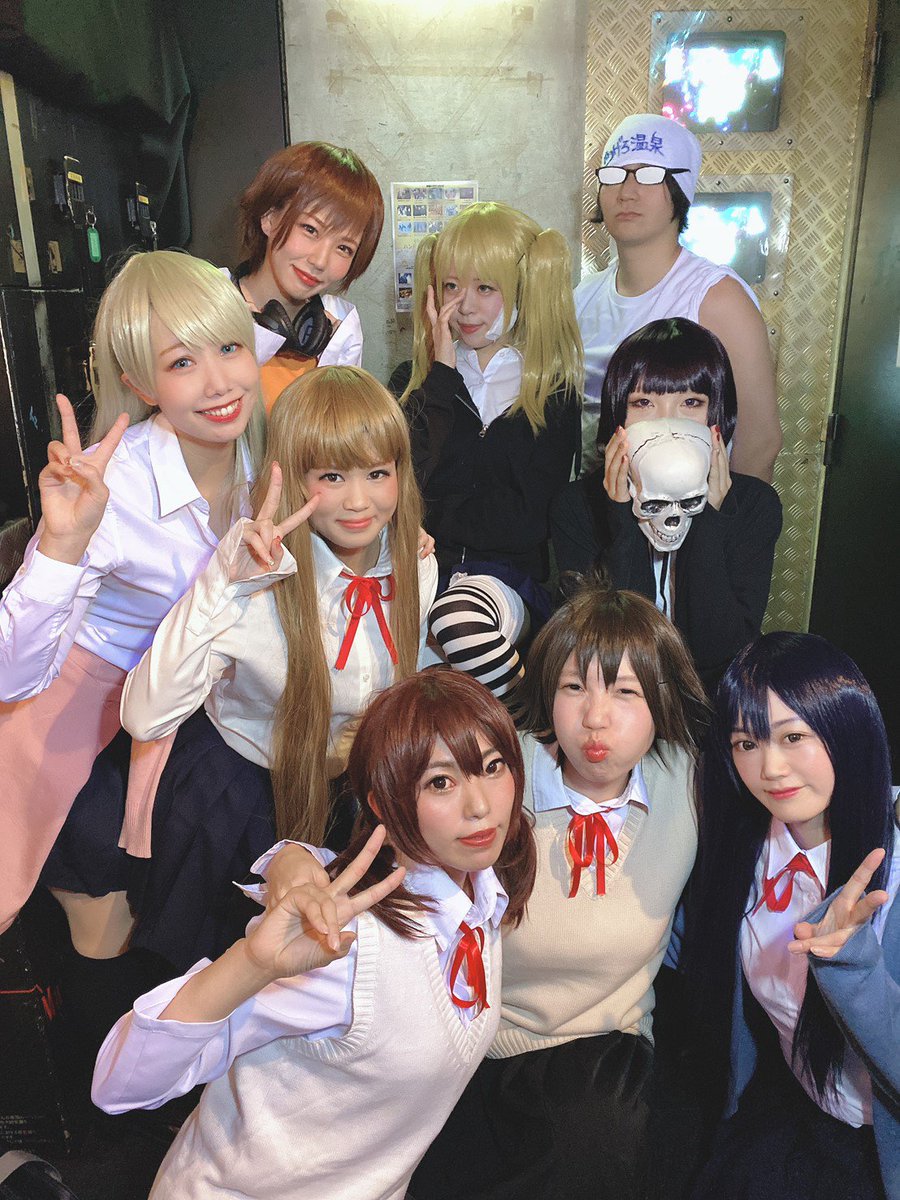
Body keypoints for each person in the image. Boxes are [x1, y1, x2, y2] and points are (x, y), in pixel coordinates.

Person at [265, 576, 708, 1199]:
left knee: (591, 1148)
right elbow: (382, 838)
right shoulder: (498, 774)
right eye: (573, 687)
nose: (595, 718)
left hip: (597, 1048)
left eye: (626, 692)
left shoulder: (687, 782)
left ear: (661, 702)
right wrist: (289, 861)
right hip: (458, 1034)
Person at [92, 669, 537, 1200]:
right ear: (383, 803)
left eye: (492, 767)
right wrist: (251, 964)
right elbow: (122, 1084)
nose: (480, 806)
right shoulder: (345, 948)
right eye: (440, 782)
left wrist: (290, 854)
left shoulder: (481, 895)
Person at [120, 366, 439, 973]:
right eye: (332, 476)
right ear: (292, 478)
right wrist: (226, 583)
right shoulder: (255, 579)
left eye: (377, 473)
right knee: (220, 983)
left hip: (352, 798)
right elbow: (144, 716)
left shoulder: (416, 564)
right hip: (240, 795)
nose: (358, 501)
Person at [0, 250, 265, 956]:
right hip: (87, 709)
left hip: (199, 701)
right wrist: (60, 545)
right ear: (140, 382)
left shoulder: (266, 456)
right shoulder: (112, 485)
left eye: (230, 347)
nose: (219, 382)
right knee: (102, 905)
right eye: (181, 363)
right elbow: (11, 676)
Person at [679, 632, 899, 1200]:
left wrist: (854, 969)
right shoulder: (743, 850)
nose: (770, 767)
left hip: (878, 1148)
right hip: (785, 1105)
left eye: (793, 736)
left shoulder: (892, 877)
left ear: (846, 729)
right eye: (746, 743)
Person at [392, 201, 582, 700]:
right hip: (423, 574)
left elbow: (523, 522)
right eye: (451, 286)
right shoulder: (416, 386)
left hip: (507, 582)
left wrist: (442, 516)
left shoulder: (551, 392)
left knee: (455, 621)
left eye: (485, 288)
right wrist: (441, 378)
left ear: (524, 289)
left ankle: (528, 717)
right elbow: (405, 490)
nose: (464, 306)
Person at [551, 318, 782, 692]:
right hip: (617, 697)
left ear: (716, 416)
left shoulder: (755, 505)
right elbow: (612, 648)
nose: (668, 422)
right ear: (618, 418)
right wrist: (621, 517)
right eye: (643, 403)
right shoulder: (576, 506)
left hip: (712, 703)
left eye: (691, 402)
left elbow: (721, 651)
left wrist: (710, 519)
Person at [577, 112, 781, 480]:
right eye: (615, 175)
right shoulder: (583, 297)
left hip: (691, 507)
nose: (627, 191)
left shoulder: (717, 298)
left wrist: (731, 517)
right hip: (597, 505)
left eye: (649, 175)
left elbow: (760, 442)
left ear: (680, 191)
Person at [230, 141, 384, 410]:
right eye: (311, 229)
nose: (320, 261)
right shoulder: (200, 310)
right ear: (269, 218)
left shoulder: (341, 334)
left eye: (344, 248)